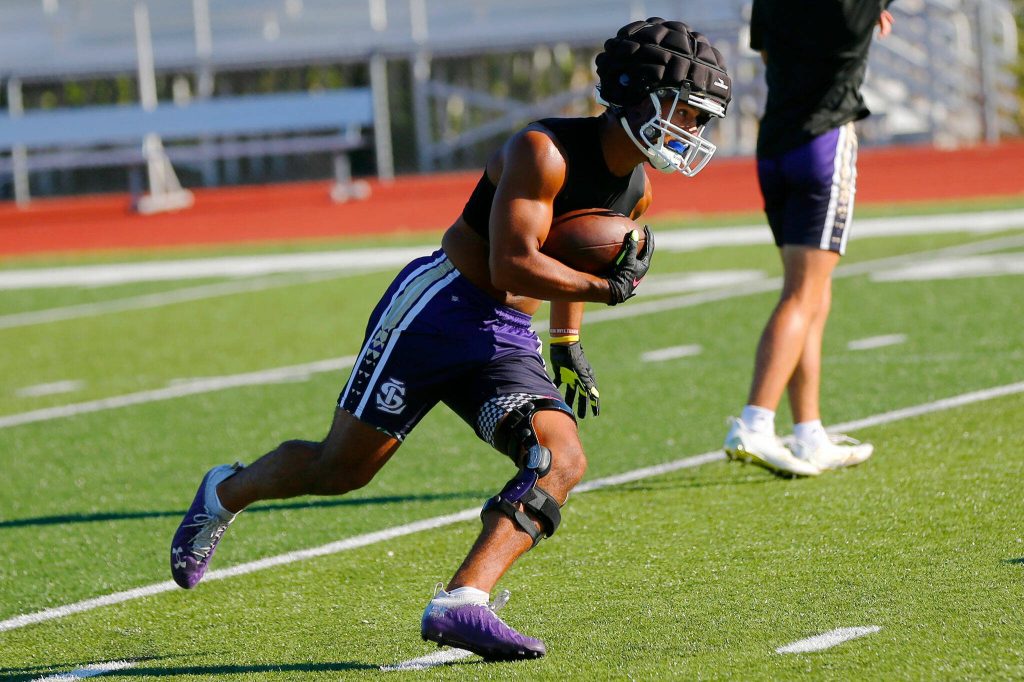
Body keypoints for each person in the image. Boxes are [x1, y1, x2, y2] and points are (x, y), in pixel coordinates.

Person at [170, 17, 731, 661]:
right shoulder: (543, 151)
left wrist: (566, 340)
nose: (690, 130)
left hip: (507, 334)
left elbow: (573, 272)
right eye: (685, 111)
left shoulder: (638, 190)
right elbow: (510, 264)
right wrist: (606, 291)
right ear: (637, 95)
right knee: (342, 469)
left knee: (560, 458)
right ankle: (224, 491)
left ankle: (463, 603)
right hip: (437, 309)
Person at [723, 1, 895, 477]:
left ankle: (809, 432)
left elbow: (767, 53)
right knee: (801, 294)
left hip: (775, 143)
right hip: (823, 142)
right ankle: (756, 420)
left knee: (813, 291)